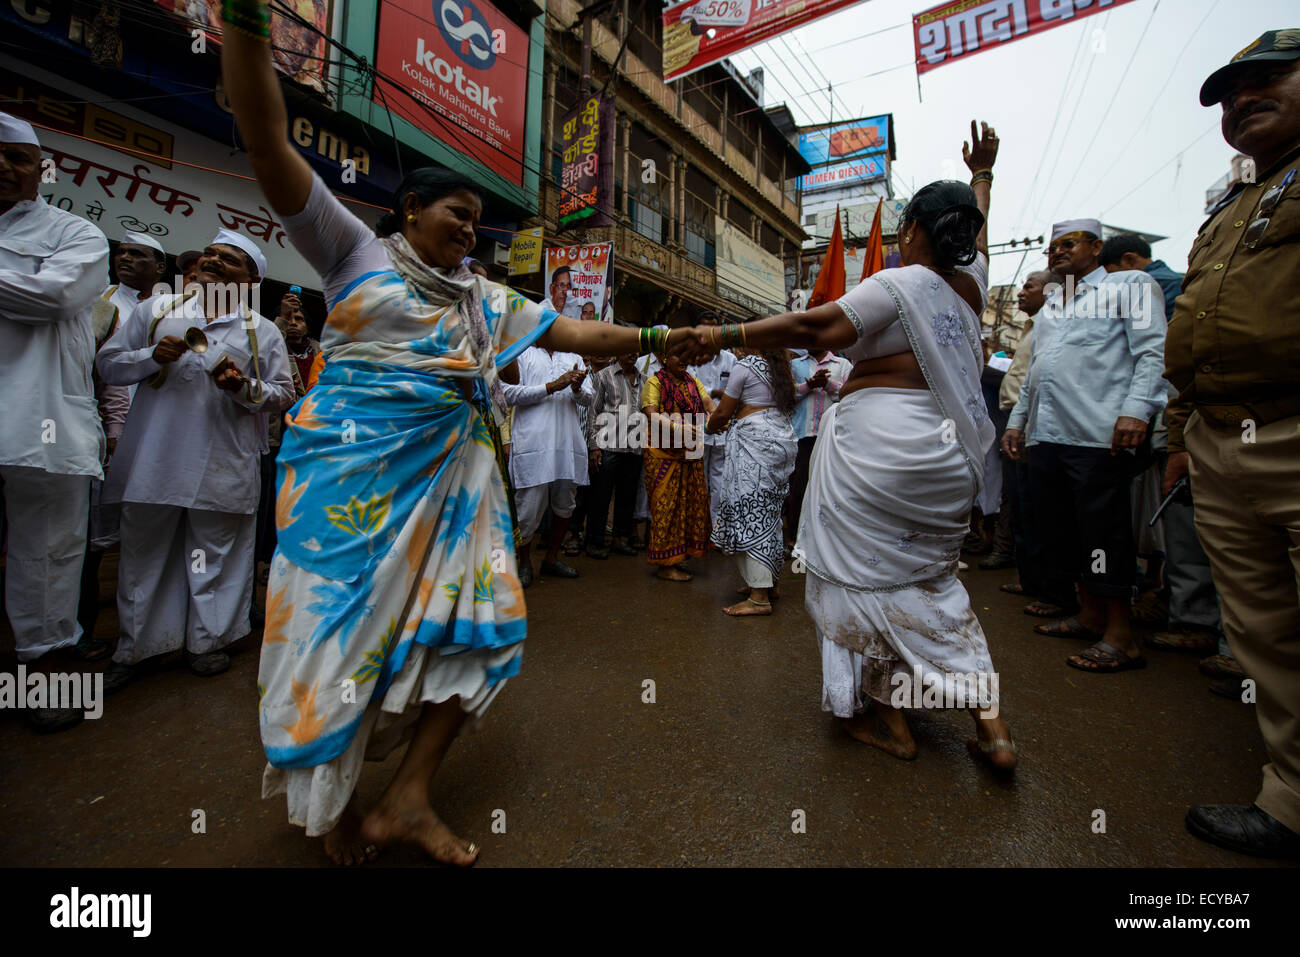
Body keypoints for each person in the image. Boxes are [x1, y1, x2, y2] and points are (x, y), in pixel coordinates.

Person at [220, 12, 706, 866]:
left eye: (478, 220)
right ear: (410, 209)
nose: (470, 229)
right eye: (457, 211)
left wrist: (664, 340)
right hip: (346, 495)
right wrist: (245, 23)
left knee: (483, 627)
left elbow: (577, 336)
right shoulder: (353, 255)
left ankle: (406, 797)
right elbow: (266, 142)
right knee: (341, 639)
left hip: (458, 493)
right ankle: (332, 806)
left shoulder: (487, 300)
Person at [689, 121, 1015, 768]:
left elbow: (816, 325)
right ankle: (993, 728)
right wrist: (984, 175)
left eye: (905, 226)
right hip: (947, 459)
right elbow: (978, 232)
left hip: (881, 452)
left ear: (916, 232)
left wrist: (723, 330)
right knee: (932, 581)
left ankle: (890, 719)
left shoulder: (899, 282)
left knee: (861, 582)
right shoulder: (971, 285)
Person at [1169, 30, 1300, 859]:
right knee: (1263, 631)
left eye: (1266, 81)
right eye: (1228, 93)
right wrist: (1187, 423)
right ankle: (1289, 798)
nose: (1241, 100)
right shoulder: (1231, 206)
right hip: (1220, 438)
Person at [96, 229, 296, 692]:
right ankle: (138, 646)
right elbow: (108, 366)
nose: (211, 260)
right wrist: (151, 355)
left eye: (227, 259)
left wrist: (242, 387)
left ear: (249, 279)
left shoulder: (261, 330)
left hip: (221, 462)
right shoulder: (155, 312)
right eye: (209, 252)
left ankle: (208, 642)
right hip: (153, 460)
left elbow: (283, 394)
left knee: (214, 557)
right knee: (144, 556)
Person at [1002, 217, 1169, 674]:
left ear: (1096, 247)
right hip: (1047, 435)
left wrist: (1137, 410)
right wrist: (1018, 422)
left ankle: (1121, 636)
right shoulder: (1054, 305)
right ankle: (1090, 614)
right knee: (1065, 530)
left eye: (1068, 244)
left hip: (1098, 434)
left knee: (1104, 533)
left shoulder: (1129, 285)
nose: (1056, 253)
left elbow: (1151, 352)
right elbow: (1037, 374)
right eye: (1051, 247)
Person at [0, 112, 110, 733]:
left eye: (17, 158)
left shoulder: (76, 233)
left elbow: (57, 298)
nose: (5, 168)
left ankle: (44, 684)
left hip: (39, 414)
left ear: (39, 169)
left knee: (49, 553)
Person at [77, 233, 169, 661]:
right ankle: (81, 633)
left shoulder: (170, 310)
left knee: (139, 534)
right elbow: (105, 374)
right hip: (104, 435)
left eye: (139, 255)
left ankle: (138, 627)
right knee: (90, 541)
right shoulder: (101, 304)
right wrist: (113, 431)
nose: (126, 259)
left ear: (159, 268)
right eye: (123, 253)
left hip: (151, 434)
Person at [707, 347, 797, 616]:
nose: (735, 348)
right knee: (770, 513)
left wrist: (709, 427)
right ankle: (769, 584)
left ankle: (759, 598)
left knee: (751, 511)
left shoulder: (745, 366)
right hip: (780, 440)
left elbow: (723, 412)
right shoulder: (780, 366)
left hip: (754, 443)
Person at [995, 271, 1063, 607]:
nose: (1022, 293)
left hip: (1037, 425)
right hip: (1017, 421)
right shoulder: (1032, 327)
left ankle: (1052, 589)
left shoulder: (1056, 325)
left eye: (1029, 287)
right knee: (1021, 501)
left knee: (1039, 506)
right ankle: (1032, 579)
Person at [504, 345, 593, 586]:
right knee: (527, 509)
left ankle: (551, 559)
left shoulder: (573, 355)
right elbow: (507, 394)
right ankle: (524, 563)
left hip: (567, 443)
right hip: (534, 443)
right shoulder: (522, 354)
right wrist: (552, 386)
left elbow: (589, 398)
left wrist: (575, 387)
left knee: (565, 506)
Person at [641, 348, 714, 581]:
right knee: (666, 507)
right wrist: (678, 427)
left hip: (690, 451)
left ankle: (679, 558)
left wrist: (715, 416)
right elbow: (651, 414)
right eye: (676, 355)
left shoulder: (693, 381)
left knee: (690, 504)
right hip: (662, 453)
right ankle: (665, 564)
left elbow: (708, 402)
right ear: (663, 358)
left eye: (685, 356)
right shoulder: (654, 382)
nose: (683, 360)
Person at [785, 347, 851, 548]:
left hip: (831, 436)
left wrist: (828, 385)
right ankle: (794, 538)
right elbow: (787, 396)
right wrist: (810, 386)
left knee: (828, 488)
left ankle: (823, 538)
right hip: (802, 435)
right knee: (798, 488)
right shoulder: (795, 365)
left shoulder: (843, 365)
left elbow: (850, 394)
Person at [585, 352, 643, 558]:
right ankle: (594, 541)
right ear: (618, 350)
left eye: (636, 350)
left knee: (627, 496)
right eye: (627, 348)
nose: (632, 354)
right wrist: (594, 447)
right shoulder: (605, 375)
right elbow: (594, 411)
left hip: (634, 447)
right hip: (607, 446)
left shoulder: (642, 379)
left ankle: (620, 539)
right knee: (600, 496)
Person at [687, 313, 736, 523]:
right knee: (695, 477)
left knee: (719, 478)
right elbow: (689, 387)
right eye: (704, 327)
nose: (708, 333)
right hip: (694, 424)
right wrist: (714, 393)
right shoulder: (691, 357)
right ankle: (696, 524)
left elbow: (735, 391)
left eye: (713, 328)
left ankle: (714, 525)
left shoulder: (730, 359)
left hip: (723, 427)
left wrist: (719, 396)